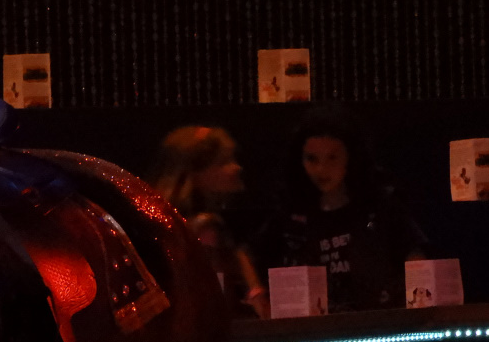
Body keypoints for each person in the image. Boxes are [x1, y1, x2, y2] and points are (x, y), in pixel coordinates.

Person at [260, 108, 427, 312]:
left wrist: (417, 313)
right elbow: (247, 250)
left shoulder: (381, 206)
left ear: (351, 157)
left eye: (332, 158)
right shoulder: (292, 213)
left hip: (377, 325)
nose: (322, 169)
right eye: (312, 159)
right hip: (313, 332)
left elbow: (416, 260)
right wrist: (258, 296)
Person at [149, 125, 270, 319]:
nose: (236, 168)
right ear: (194, 173)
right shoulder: (204, 229)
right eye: (223, 162)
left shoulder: (163, 222)